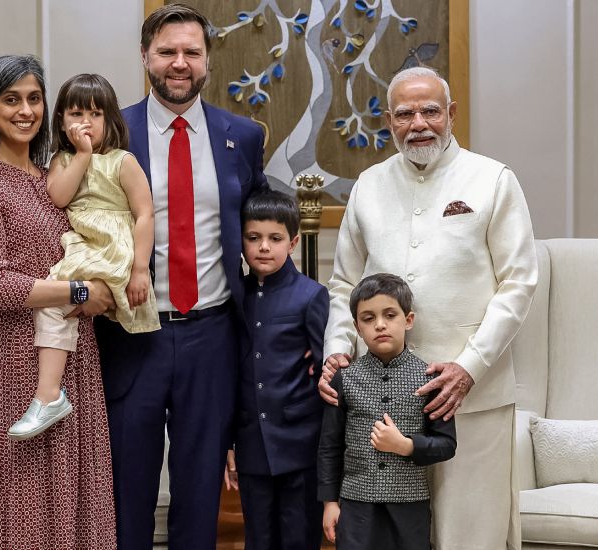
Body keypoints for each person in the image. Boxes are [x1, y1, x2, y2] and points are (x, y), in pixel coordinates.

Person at [320, 66, 538, 549]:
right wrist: (337, 348)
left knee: (468, 536)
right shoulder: (369, 185)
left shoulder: (493, 180)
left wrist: (469, 366)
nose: (418, 122)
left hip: (469, 398)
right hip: (380, 412)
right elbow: (342, 285)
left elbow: (519, 283)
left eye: (430, 110)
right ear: (389, 123)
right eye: (404, 113)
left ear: (451, 114)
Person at [92, 4, 269, 549]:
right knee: (128, 494)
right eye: (167, 51)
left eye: (191, 52)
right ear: (145, 56)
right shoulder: (110, 133)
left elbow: (260, 227)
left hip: (212, 336)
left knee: (199, 497)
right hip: (132, 335)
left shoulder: (243, 135)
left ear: (207, 61)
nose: (179, 63)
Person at [0, 55, 116, 549]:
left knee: (78, 488)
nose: (25, 111)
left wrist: (108, 288)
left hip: (79, 357)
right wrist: (83, 291)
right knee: (22, 495)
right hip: (18, 359)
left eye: (34, 99)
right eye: (11, 99)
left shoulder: (57, 176)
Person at [8, 73, 159, 441]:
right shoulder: (62, 160)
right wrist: (83, 155)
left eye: (95, 113)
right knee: (57, 301)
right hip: (84, 247)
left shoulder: (123, 161)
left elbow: (145, 214)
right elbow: (59, 197)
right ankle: (49, 394)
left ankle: (48, 395)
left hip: (113, 249)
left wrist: (140, 269)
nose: (86, 123)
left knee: (57, 297)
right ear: (61, 120)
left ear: (110, 120)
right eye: (76, 113)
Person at [318, 273, 456, 549]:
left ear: (408, 320)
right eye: (368, 319)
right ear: (357, 327)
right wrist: (330, 502)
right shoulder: (343, 378)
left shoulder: (430, 379)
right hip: (356, 505)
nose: (380, 325)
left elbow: (447, 445)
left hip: (410, 508)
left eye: (390, 315)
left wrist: (406, 446)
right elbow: (329, 446)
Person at [222, 191, 328, 550]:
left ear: (293, 242)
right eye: (253, 238)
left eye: (274, 238)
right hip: (252, 444)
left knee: (299, 537)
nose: (263, 247)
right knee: (259, 539)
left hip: (300, 443)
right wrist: (231, 443)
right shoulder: (237, 296)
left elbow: (324, 369)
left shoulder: (311, 296)